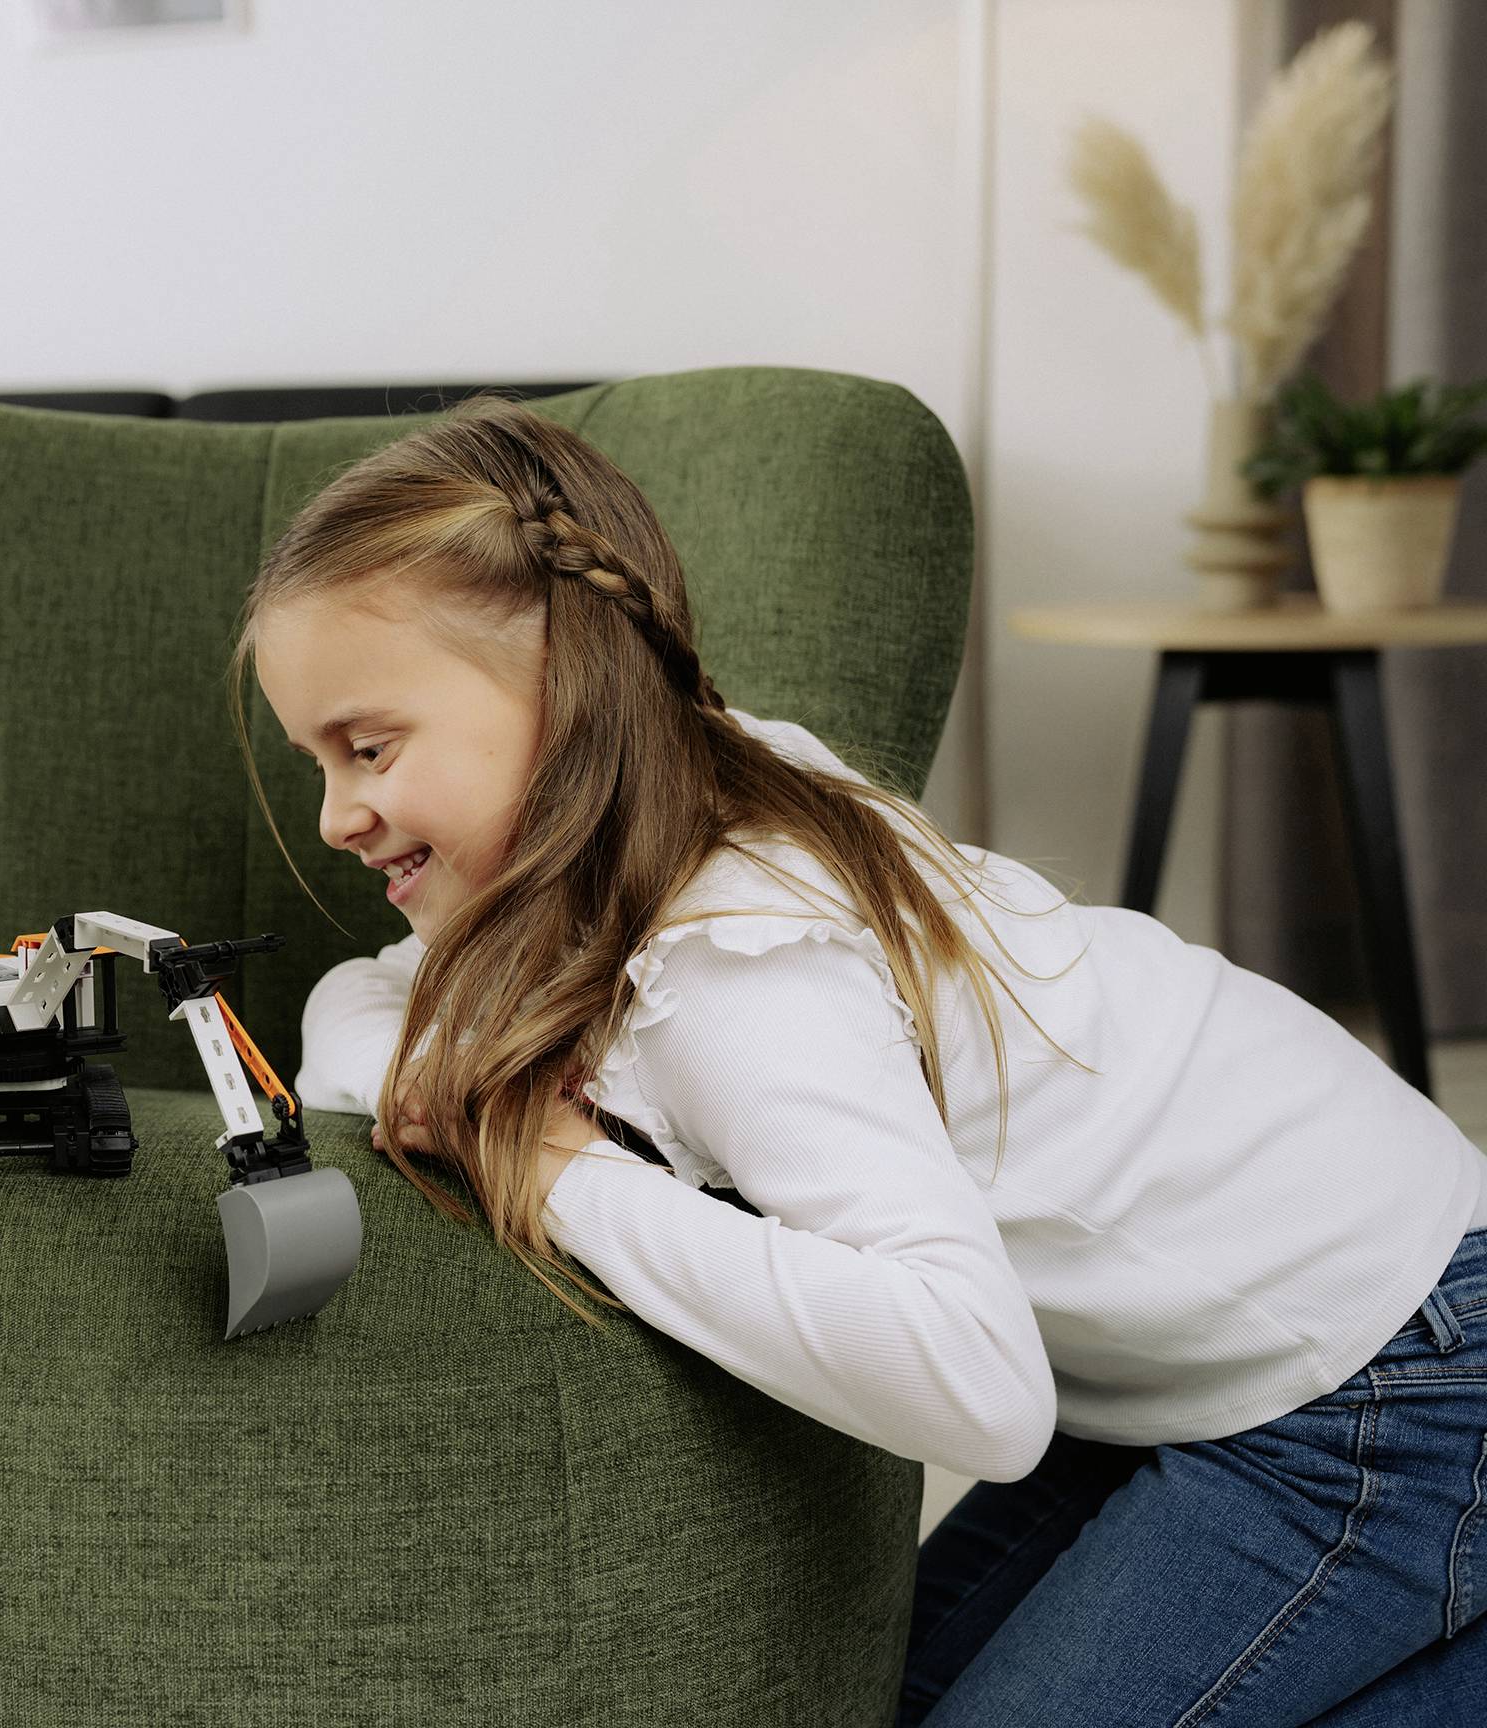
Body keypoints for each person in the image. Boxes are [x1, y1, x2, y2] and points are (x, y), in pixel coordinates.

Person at [242, 400, 1487, 1726]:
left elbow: (977, 1385)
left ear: (564, 684)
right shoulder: (688, 786)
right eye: (319, 760)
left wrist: (560, 1178)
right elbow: (363, 1004)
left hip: (1380, 1368)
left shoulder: (735, 972)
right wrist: (419, 1070)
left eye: (369, 747)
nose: (335, 816)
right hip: (1232, 1338)